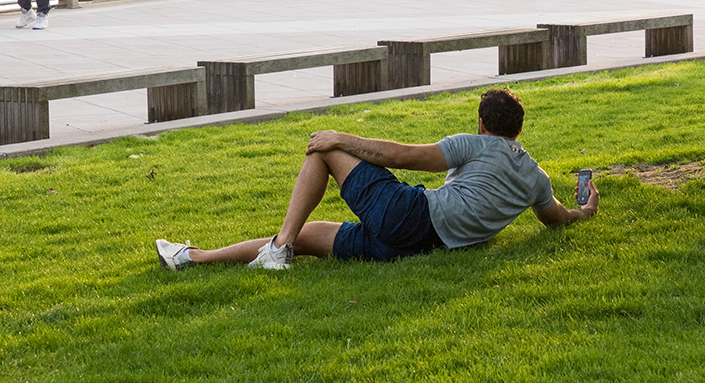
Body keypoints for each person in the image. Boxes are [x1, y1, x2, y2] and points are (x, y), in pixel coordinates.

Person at [155, 88, 599, 272]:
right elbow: (557, 218)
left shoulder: (477, 144)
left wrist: (340, 136)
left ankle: (275, 252)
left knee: (323, 150)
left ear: (483, 124)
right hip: (420, 245)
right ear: (517, 131)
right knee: (307, 237)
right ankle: (193, 258)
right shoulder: (536, 177)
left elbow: (402, 157)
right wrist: (586, 209)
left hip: (413, 217)